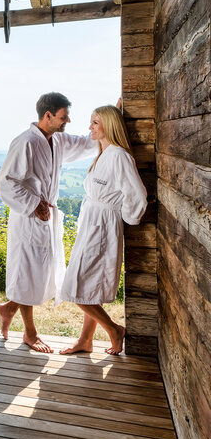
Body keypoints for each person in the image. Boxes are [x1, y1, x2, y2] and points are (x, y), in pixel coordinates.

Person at [0, 92, 97, 353]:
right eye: (64, 117)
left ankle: (7, 310)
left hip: (46, 216)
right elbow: (5, 183)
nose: (68, 121)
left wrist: (114, 116)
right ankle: (30, 333)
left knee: (40, 272)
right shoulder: (25, 142)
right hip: (28, 218)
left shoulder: (58, 140)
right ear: (48, 115)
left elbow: (88, 143)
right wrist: (33, 204)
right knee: (27, 273)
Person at [59, 105, 147, 356]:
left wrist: (127, 217)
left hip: (103, 226)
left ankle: (114, 329)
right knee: (88, 287)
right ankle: (85, 340)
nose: (90, 127)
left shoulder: (119, 155)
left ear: (108, 125)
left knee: (77, 288)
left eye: (95, 122)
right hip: (92, 222)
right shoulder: (104, 152)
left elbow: (137, 195)